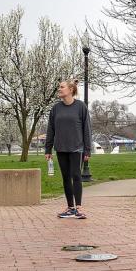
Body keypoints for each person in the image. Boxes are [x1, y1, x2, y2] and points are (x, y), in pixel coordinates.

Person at [45, 79, 92, 219]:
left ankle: (79, 208)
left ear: (71, 90)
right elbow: (51, 129)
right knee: (66, 178)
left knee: (76, 176)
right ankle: (70, 208)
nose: (59, 89)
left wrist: (87, 150)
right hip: (61, 148)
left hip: (77, 148)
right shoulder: (55, 109)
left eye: (62, 87)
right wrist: (48, 149)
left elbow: (87, 129)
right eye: (59, 87)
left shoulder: (81, 107)